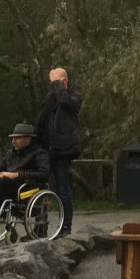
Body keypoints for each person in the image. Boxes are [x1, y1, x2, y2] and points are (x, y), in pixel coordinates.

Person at [36, 66, 84, 235]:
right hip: (47, 148)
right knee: (40, 186)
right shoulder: (52, 96)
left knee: (63, 188)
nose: (53, 86)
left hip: (64, 149)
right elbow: (42, 118)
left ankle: (65, 227)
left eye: (55, 82)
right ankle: (40, 227)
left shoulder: (74, 95)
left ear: (64, 81)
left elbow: (65, 101)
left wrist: (57, 83)